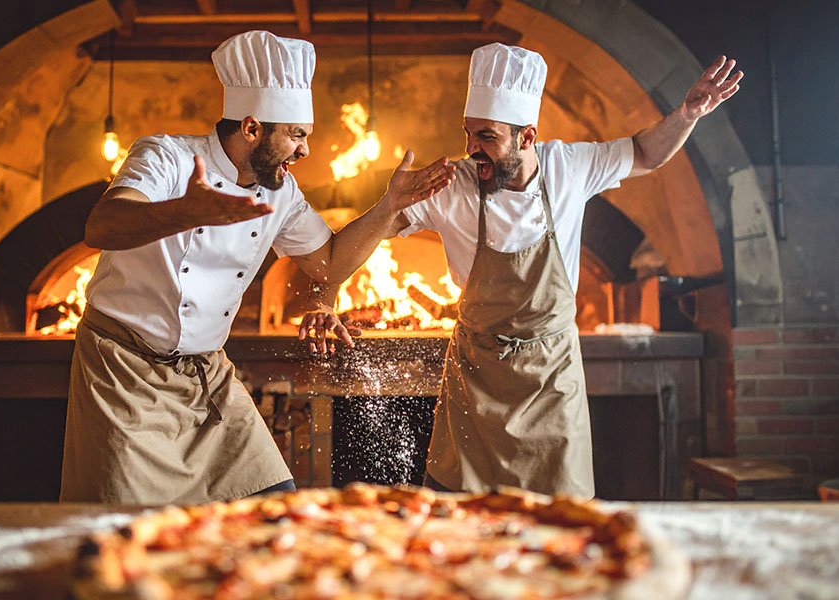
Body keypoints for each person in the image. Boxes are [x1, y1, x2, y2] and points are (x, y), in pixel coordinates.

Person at [303, 43, 741, 497]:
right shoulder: (451, 186)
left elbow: (645, 153)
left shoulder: (569, 168)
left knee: (562, 522)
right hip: (476, 380)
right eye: (468, 134)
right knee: (461, 518)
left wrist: (687, 114)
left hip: (552, 380)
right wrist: (387, 206)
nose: (472, 150)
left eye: (487, 137)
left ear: (527, 137)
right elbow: (347, 250)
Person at [59, 30, 455, 505]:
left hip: (207, 376)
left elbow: (327, 264)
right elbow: (100, 227)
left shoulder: (280, 190)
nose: (305, 150)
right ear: (251, 129)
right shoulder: (165, 156)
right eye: (296, 135)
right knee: (127, 528)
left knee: (272, 500)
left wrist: (389, 206)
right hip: (125, 376)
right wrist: (185, 212)